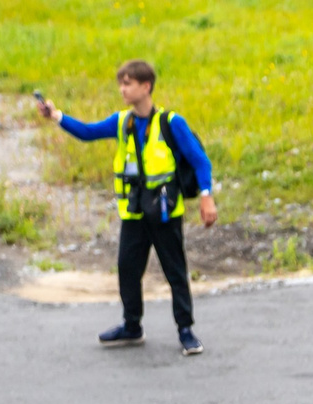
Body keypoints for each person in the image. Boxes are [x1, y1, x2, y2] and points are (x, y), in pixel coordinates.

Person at [38, 61, 218, 356]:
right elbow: (87, 132)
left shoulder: (171, 123)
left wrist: (207, 197)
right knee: (127, 270)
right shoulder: (123, 121)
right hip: (134, 214)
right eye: (121, 83)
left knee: (175, 272)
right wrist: (56, 115)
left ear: (146, 87)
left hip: (164, 213)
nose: (123, 89)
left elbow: (200, 161)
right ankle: (132, 326)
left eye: (128, 84)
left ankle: (185, 330)